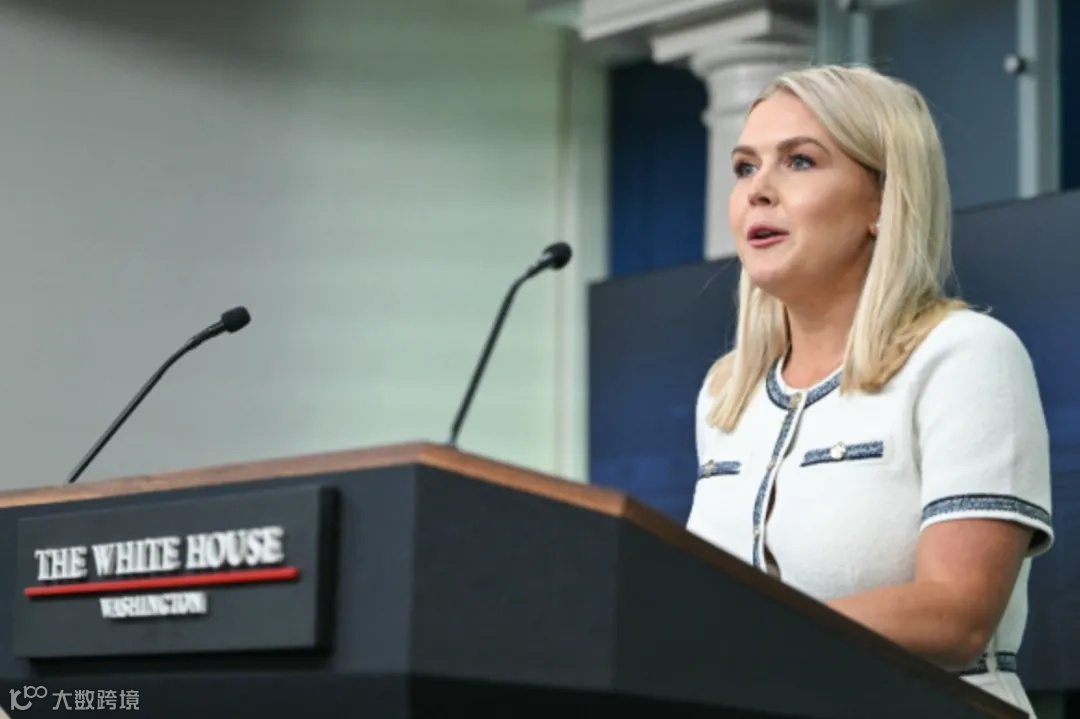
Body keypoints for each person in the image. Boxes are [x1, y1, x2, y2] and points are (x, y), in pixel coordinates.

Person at [686, 64, 1054, 717]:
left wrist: (744, 639)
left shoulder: (964, 354)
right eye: (745, 167)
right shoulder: (725, 395)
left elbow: (956, 612)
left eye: (799, 161)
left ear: (883, 201)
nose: (758, 191)